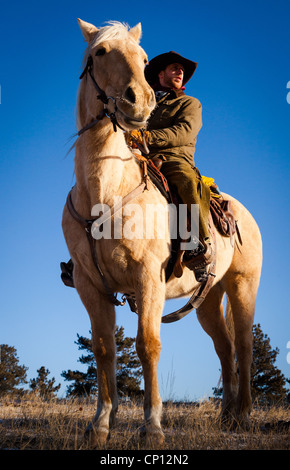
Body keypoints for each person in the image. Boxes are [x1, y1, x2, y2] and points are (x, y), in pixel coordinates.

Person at [131, 51, 214, 274]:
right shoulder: (142, 104)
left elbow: (184, 132)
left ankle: (198, 244)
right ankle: (84, 254)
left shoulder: (190, 103)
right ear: (160, 73)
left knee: (186, 179)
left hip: (173, 158)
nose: (180, 72)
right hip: (139, 157)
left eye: (182, 70)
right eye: (174, 68)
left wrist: (147, 137)